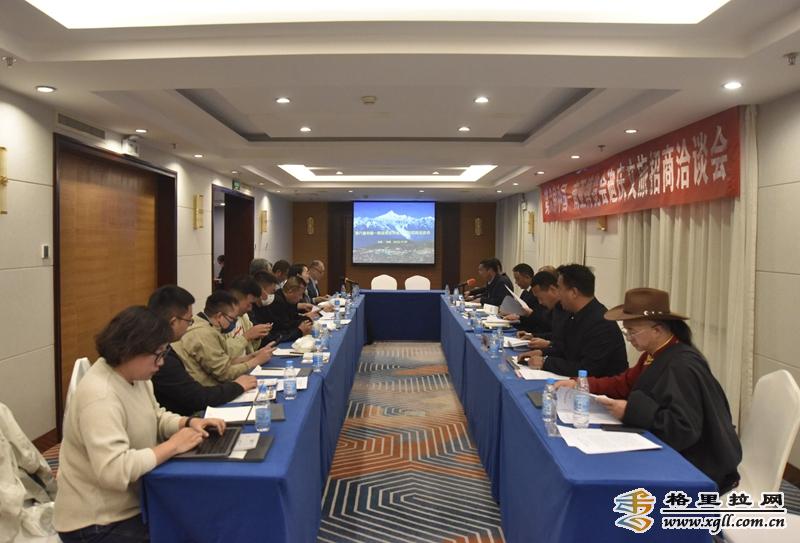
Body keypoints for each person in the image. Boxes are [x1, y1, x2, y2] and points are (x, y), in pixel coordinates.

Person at [54, 306, 225, 542]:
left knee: (204, 518)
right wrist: (173, 446)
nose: (161, 362)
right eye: (158, 354)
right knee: (190, 531)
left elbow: (155, 416)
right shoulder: (100, 396)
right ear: (130, 350)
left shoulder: (137, 375)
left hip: (135, 500)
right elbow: (114, 471)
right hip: (96, 522)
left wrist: (188, 422)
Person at [555, 288, 742, 492]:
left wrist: (630, 411)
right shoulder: (654, 355)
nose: (628, 338)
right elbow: (625, 383)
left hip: (694, 462)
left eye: (632, 331)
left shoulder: (681, 366)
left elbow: (683, 429)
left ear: (657, 330)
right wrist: (581, 384)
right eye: (626, 331)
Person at [148, 285, 257, 416]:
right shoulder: (162, 360)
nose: (190, 325)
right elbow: (197, 397)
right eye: (189, 320)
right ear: (173, 322)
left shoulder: (165, 348)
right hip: (193, 410)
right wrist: (238, 385)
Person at [519, 264, 627, 377]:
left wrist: (545, 362)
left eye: (559, 288)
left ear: (574, 293)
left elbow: (587, 370)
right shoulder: (574, 314)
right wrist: (541, 352)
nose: (558, 294)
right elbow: (564, 349)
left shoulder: (601, 323)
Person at [171, 291, 275, 386]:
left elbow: (222, 361)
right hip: (206, 390)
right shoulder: (204, 333)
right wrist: (255, 361)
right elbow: (224, 374)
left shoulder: (206, 324)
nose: (234, 323)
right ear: (219, 316)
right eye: (233, 319)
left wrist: (251, 357)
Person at [517, 270, 569, 352]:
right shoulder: (557, 308)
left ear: (553, 289)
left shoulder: (568, 309)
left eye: (540, 298)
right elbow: (556, 335)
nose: (540, 302)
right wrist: (532, 335)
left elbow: (567, 344)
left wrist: (549, 344)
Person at [225, 276, 272, 358]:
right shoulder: (220, 322)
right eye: (250, 303)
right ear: (236, 299)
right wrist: (247, 336)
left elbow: (252, 348)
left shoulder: (244, 317)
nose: (250, 309)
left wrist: (257, 337)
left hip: (246, 363)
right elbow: (223, 355)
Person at [261, 276, 314, 345]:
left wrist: (306, 320)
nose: (301, 298)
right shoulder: (277, 302)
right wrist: (299, 331)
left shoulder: (289, 301)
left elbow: (294, 318)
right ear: (290, 291)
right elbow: (284, 327)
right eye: (300, 294)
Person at [503, 263, 551, 334]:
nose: (516, 282)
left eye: (517, 279)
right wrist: (515, 315)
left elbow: (541, 320)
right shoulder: (525, 292)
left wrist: (525, 315)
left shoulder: (538, 295)